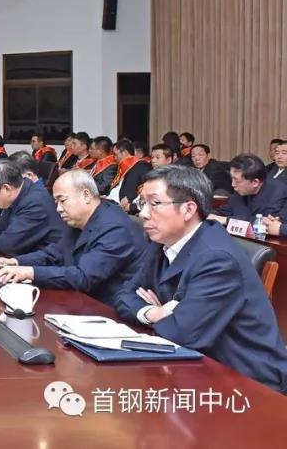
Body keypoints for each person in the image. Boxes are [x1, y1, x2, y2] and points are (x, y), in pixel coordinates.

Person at [115, 165, 287, 393]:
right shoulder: (162, 242)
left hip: (247, 383)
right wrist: (154, 313)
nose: (143, 213)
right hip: (194, 367)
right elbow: (124, 295)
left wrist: (168, 317)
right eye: (142, 203)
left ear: (188, 209)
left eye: (154, 203)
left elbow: (181, 334)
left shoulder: (218, 258)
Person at [0, 170, 149, 309]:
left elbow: (84, 277)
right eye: (56, 202)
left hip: (110, 310)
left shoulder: (114, 228)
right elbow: (54, 254)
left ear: (86, 195)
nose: (58, 208)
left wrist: (29, 272)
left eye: (62, 200)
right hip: (82, 302)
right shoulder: (79, 220)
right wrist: (16, 262)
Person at [209, 153, 287, 226]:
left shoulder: (280, 194)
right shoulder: (240, 192)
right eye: (232, 178)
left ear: (255, 182)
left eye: (237, 180)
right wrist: (209, 215)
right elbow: (225, 211)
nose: (233, 184)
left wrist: (227, 220)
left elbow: (267, 223)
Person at [111, 140, 151, 213]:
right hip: (115, 203)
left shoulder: (141, 166)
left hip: (128, 207)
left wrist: (129, 197)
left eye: (115, 154)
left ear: (124, 153)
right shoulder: (120, 167)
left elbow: (145, 187)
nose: (114, 158)